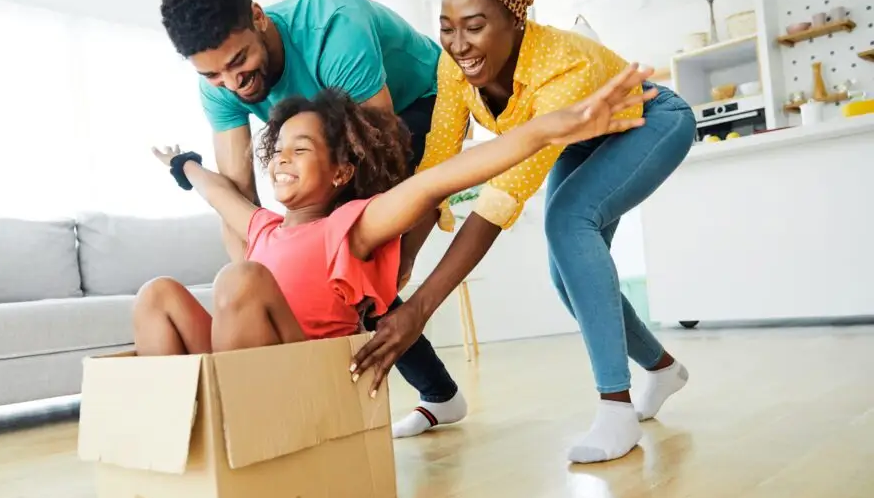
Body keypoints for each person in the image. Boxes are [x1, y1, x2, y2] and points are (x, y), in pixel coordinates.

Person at [350, 0, 697, 462]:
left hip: (650, 121)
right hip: (581, 140)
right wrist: (400, 268)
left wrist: (420, 310)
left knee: (568, 221)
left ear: (516, 17)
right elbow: (436, 170)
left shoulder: (562, 65)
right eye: (446, 29)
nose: (458, 45)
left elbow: (498, 202)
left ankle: (616, 407)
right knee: (566, 279)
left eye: (475, 27)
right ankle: (662, 369)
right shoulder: (452, 66)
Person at [135, 70, 656, 359]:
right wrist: (183, 165)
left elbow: (440, 180)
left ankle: (229, 432)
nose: (282, 158)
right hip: (243, 369)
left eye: (302, 149)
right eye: (278, 150)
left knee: (241, 278)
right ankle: (175, 434)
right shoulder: (263, 228)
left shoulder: (352, 225)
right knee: (158, 293)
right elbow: (212, 190)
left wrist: (548, 129)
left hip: (303, 378)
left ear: (340, 171)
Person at [159, 0, 464, 425]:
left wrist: (397, 258)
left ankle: (437, 393)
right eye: (214, 74)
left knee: (352, 263)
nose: (233, 82)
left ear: (258, 17)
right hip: (334, 126)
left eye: (239, 62)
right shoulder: (218, 87)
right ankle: (440, 393)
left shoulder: (333, 28)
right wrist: (267, 283)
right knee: (315, 264)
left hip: (419, 105)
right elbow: (240, 198)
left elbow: (381, 162)